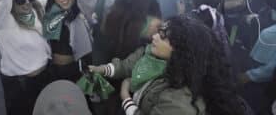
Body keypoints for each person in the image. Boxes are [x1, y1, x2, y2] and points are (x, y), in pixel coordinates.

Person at [90, 16, 250, 115]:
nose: (154, 37)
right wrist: (101, 69)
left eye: (163, 37)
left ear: (183, 51)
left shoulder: (180, 100)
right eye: (159, 32)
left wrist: (126, 98)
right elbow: (126, 66)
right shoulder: (154, 56)